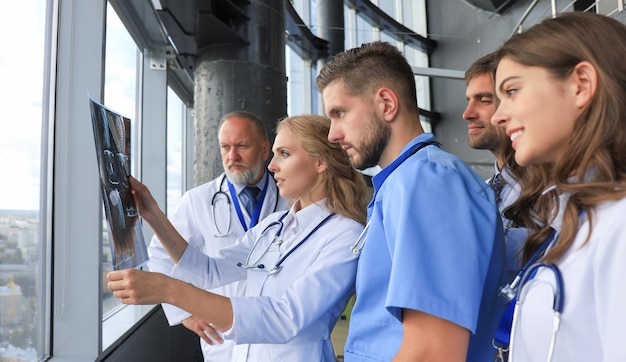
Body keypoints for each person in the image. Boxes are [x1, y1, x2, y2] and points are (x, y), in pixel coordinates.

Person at [108, 114, 368, 361]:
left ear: (319, 161)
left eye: (284, 154)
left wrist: (169, 289)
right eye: (276, 154)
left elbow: (285, 318)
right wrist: (152, 213)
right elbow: (209, 271)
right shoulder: (275, 225)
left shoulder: (345, 236)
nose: (272, 165)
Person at [317, 41, 505, 361]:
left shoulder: (428, 182)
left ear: (387, 104)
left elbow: (433, 351)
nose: (332, 134)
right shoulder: (402, 184)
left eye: (340, 113)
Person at [490, 12, 626, 362]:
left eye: (512, 90)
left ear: (580, 84)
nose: (497, 116)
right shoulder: (567, 221)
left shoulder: (619, 223)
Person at [147, 110, 287, 361]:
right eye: (225, 147)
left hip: (275, 332)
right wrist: (184, 314)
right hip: (224, 340)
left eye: (242, 146)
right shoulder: (198, 200)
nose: (232, 156)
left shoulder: (289, 197)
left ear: (265, 150)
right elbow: (159, 253)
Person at [463, 52, 528, 282]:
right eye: (468, 100)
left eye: (484, 100)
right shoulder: (485, 192)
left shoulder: (555, 189)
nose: (467, 114)